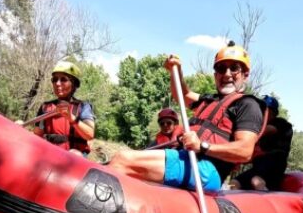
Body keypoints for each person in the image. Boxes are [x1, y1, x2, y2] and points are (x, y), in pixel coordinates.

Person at [109, 41, 263, 192]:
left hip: (207, 169)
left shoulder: (247, 105)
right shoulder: (208, 100)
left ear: (245, 74)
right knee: (117, 160)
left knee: (121, 160)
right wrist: (176, 72)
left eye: (234, 68)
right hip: (186, 157)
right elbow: (182, 95)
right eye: (221, 68)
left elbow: (245, 150)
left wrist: (202, 146)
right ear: (215, 74)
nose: (227, 74)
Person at [229, 95, 293, 191]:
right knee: (234, 183)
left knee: (256, 181)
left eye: (264, 110)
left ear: (273, 112)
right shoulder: (258, 132)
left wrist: (244, 128)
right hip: (259, 167)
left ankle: (268, 201)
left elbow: (267, 130)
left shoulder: (281, 123)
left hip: (274, 164)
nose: (261, 113)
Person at [33, 61, 95, 156]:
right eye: (54, 79)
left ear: (74, 84)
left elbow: (89, 135)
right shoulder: (45, 107)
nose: (57, 83)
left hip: (73, 159)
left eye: (63, 79)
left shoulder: (83, 107)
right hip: (49, 155)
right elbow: (37, 134)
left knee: (74, 154)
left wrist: (71, 118)